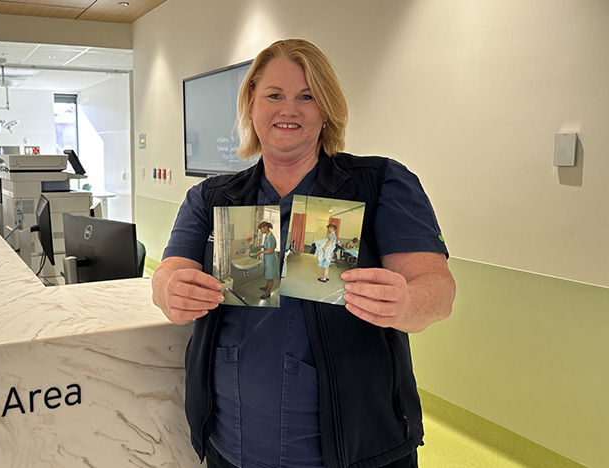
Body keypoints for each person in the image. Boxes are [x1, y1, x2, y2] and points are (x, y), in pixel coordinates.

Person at [152, 38, 455, 468]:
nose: (288, 109)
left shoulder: (380, 183)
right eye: (274, 95)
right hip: (232, 446)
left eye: (307, 97)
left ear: (327, 108)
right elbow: (167, 273)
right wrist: (170, 291)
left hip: (354, 450)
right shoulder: (212, 198)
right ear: (251, 106)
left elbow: (438, 290)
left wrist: (406, 303)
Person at [253, 221, 277, 299]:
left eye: (261, 229)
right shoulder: (267, 235)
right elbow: (267, 245)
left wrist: (260, 251)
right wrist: (259, 246)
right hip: (268, 258)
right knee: (268, 275)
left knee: (270, 277)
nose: (261, 231)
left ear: (265, 228)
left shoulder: (270, 237)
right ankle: (267, 287)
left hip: (271, 259)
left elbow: (270, 250)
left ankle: (267, 294)